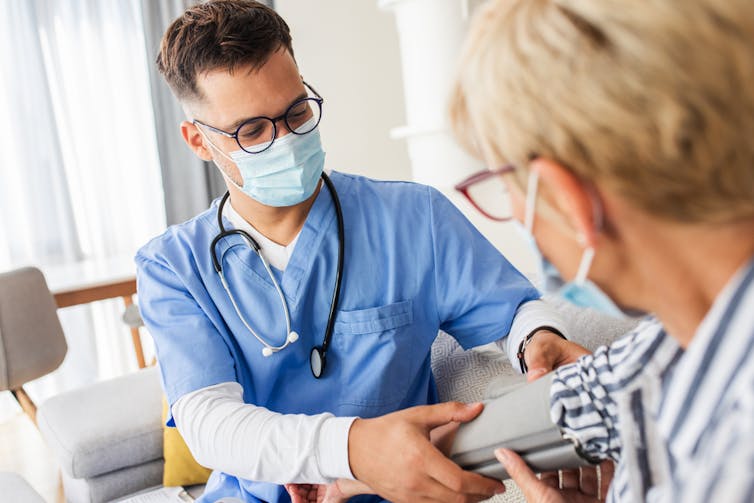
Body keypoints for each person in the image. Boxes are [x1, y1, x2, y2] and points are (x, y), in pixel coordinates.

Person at [135, 1, 586, 502]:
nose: (286, 139)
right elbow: (209, 423)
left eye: (297, 111)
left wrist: (536, 338)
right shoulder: (173, 267)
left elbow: (512, 310)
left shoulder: (414, 218)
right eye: (253, 130)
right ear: (198, 141)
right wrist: (350, 449)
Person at [448, 0, 754, 501]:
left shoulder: (732, 464)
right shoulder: (672, 341)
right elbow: (581, 395)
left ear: (570, 201)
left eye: (507, 187)